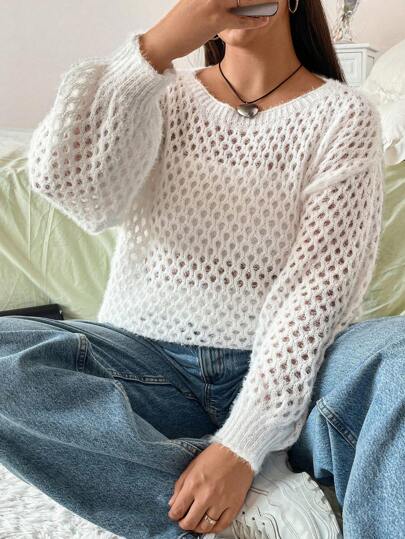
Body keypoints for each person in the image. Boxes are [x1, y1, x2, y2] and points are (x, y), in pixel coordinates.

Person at [1, 0, 404, 538]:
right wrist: (153, 50)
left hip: (295, 373)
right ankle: (211, 504)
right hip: (149, 367)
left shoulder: (344, 115)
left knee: (399, 356)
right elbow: (73, 188)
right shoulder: (160, 93)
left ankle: (229, 474)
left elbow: (318, 286)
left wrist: (243, 442)